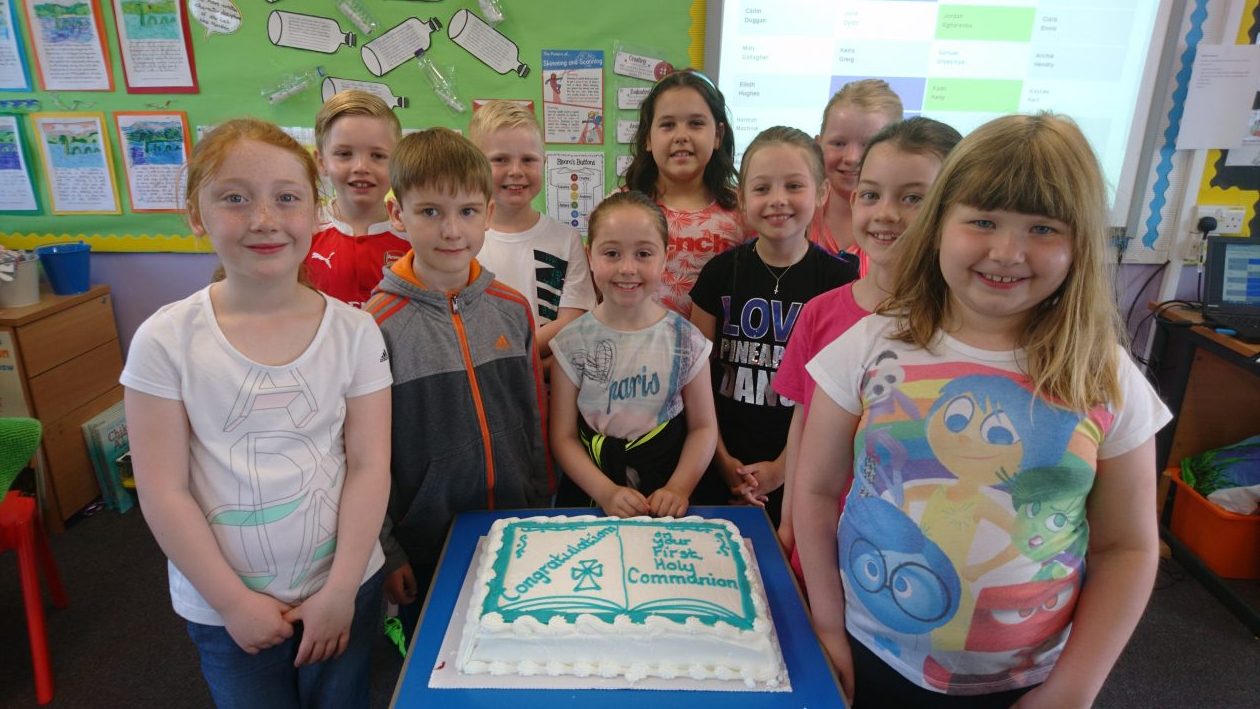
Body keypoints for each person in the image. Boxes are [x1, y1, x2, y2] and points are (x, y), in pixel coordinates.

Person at [794, 113, 1172, 707]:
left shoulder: (1103, 375)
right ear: (940, 224)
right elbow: (815, 492)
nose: (1007, 252)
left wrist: (1073, 688)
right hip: (869, 655)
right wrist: (826, 627)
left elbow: (1127, 547)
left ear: (1079, 243)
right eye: (984, 221)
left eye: (1043, 228)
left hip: (1025, 682)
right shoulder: (867, 347)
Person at [122, 118, 392, 708]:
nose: (264, 219)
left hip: (342, 587)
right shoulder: (165, 341)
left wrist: (341, 590)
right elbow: (163, 490)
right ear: (196, 215)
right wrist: (232, 603)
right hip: (225, 609)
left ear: (315, 212)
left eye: (286, 198)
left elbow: (370, 466)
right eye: (235, 198)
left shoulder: (355, 332)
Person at [364, 127, 552, 636]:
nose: (451, 230)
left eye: (467, 211)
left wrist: (541, 504)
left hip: (514, 525)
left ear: (487, 213)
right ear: (397, 213)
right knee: (436, 650)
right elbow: (362, 454)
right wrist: (386, 549)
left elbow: (533, 417)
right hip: (426, 540)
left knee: (517, 644)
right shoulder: (375, 326)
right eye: (430, 211)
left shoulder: (512, 309)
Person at [775, 117, 962, 579]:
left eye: (913, 198)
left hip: (909, 556)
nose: (886, 214)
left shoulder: (962, 327)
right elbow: (801, 423)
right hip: (819, 541)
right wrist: (788, 522)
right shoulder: (820, 314)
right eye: (872, 194)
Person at [689, 126, 859, 520]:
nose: (778, 200)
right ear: (742, 199)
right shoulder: (718, 273)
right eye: (762, 188)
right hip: (716, 460)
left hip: (805, 469)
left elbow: (839, 393)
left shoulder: (840, 281)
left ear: (821, 192)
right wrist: (721, 460)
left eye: (794, 186)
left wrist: (782, 469)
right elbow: (694, 379)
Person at [549, 191, 718, 518]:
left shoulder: (686, 340)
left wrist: (679, 488)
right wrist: (605, 492)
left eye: (643, 254)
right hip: (591, 495)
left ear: (665, 257)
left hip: (665, 497)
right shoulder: (570, 343)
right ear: (590, 255)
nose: (627, 268)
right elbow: (563, 437)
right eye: (612, 253)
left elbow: (703, 428)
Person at [468, 100, 596, 368]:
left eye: (528, 160)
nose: (516, 171)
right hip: (479, 374)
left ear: (544, 162)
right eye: (500, 160)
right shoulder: (463, 241)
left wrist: (512, 356)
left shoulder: (566, 239)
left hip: (545, 379)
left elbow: (574, 319)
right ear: (475, 165)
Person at [623, 69, 748, 317]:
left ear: (718, 135)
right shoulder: (620, 209)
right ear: (648, 139)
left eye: (696, 123)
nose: (681, 136)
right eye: (668, 125)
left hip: (715, 341)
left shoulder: (743, 212)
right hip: (633, 340)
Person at [305, 90, 409, 307]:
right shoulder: (304, 230)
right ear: (322, 162)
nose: (361, 167)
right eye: (344, 154)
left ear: (398, 162)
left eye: (378, 155)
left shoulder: (415, 234)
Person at [809, 79, 903, 274]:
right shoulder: (797, 215)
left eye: (868, 145)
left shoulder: (907, 228)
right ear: (818, 145)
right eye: (838, 143)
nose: (852, 158)